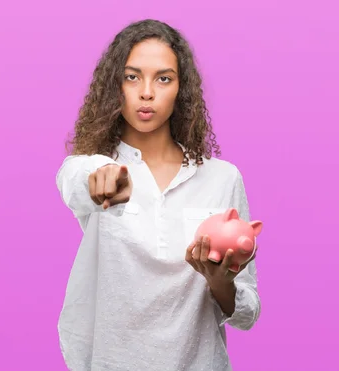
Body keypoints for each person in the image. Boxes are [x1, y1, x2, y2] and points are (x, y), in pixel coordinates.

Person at [55, 19, 261, 371]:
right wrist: (99, 182)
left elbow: (247, 313)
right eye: (132, 76)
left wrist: (219, 283)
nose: (146, 92)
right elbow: (76, 182)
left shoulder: (223, 178)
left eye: (163, 78)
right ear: (114, 86)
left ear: (181, 89)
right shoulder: (90, 167)